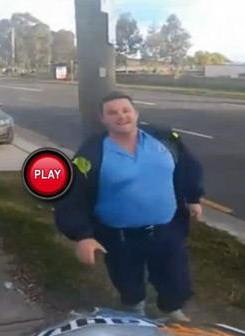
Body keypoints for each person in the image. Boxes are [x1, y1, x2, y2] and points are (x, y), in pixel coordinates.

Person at [53, 91, 205, 321]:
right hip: (119, 236)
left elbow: (188, 166)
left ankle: (171, 309)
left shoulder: (164, 139)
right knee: (127, 280)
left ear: (136, 113)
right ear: (103, 119)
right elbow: (72, 195)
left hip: (166, 229)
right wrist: (82, 235)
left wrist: (194, 197)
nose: (121, 116)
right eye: (112, 113)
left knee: (175, 278)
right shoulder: (91, 153)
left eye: (126, 110)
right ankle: (135, 309)